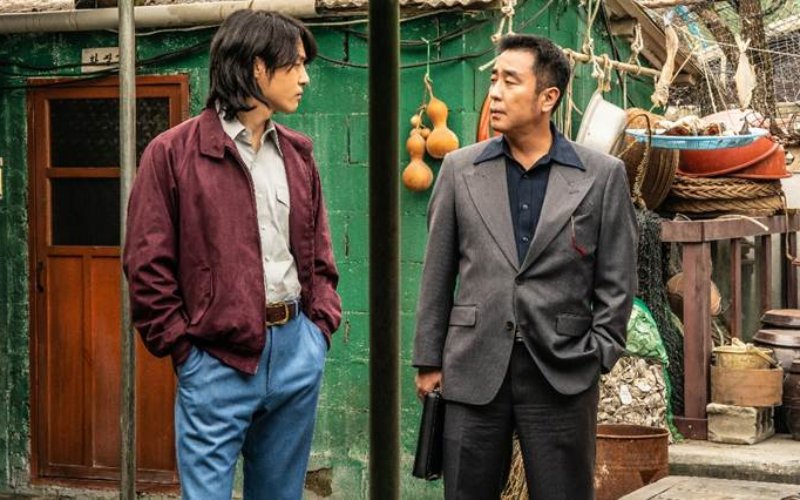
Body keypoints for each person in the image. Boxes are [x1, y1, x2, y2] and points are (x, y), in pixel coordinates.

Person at [123, 10, 341, 500]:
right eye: (295, 64)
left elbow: (318, 255)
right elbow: (146, 266)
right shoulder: (172, 153)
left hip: (296, 351)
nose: (305, 78)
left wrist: (318, 330)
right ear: (258, 67)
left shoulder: (298, 154)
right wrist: (184, 351)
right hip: (214, 358)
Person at [413, 34, 637, 500]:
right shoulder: (459, 169)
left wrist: (600, 352)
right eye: (493, 79)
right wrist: (429, 360)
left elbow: (617, 280)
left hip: (563, 368)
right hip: (473, 366)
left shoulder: (601, 175)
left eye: (510, 81)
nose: (494, 92)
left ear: (547, 97)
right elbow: (437, 272)